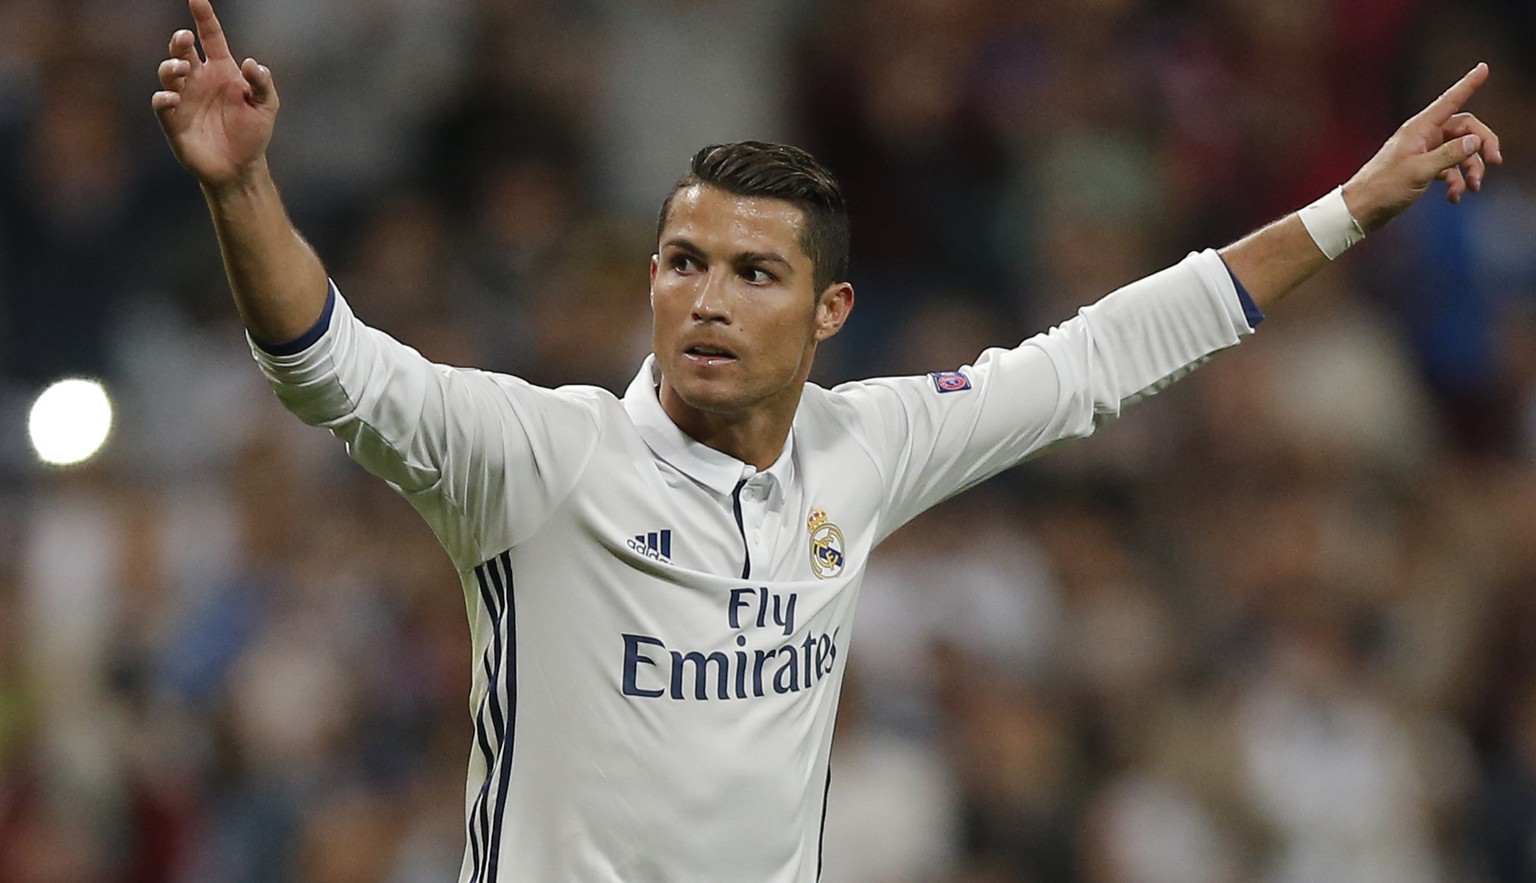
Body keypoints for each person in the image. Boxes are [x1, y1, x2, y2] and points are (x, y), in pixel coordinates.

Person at [151, 0, 1502, 879]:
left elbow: (1100, 357)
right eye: (683, 261)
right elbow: (329, 366)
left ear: (831, 309)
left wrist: (1351, 207)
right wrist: (244, 184)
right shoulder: (541, 459)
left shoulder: (868, 447)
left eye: (753, 272)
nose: (707, 298)